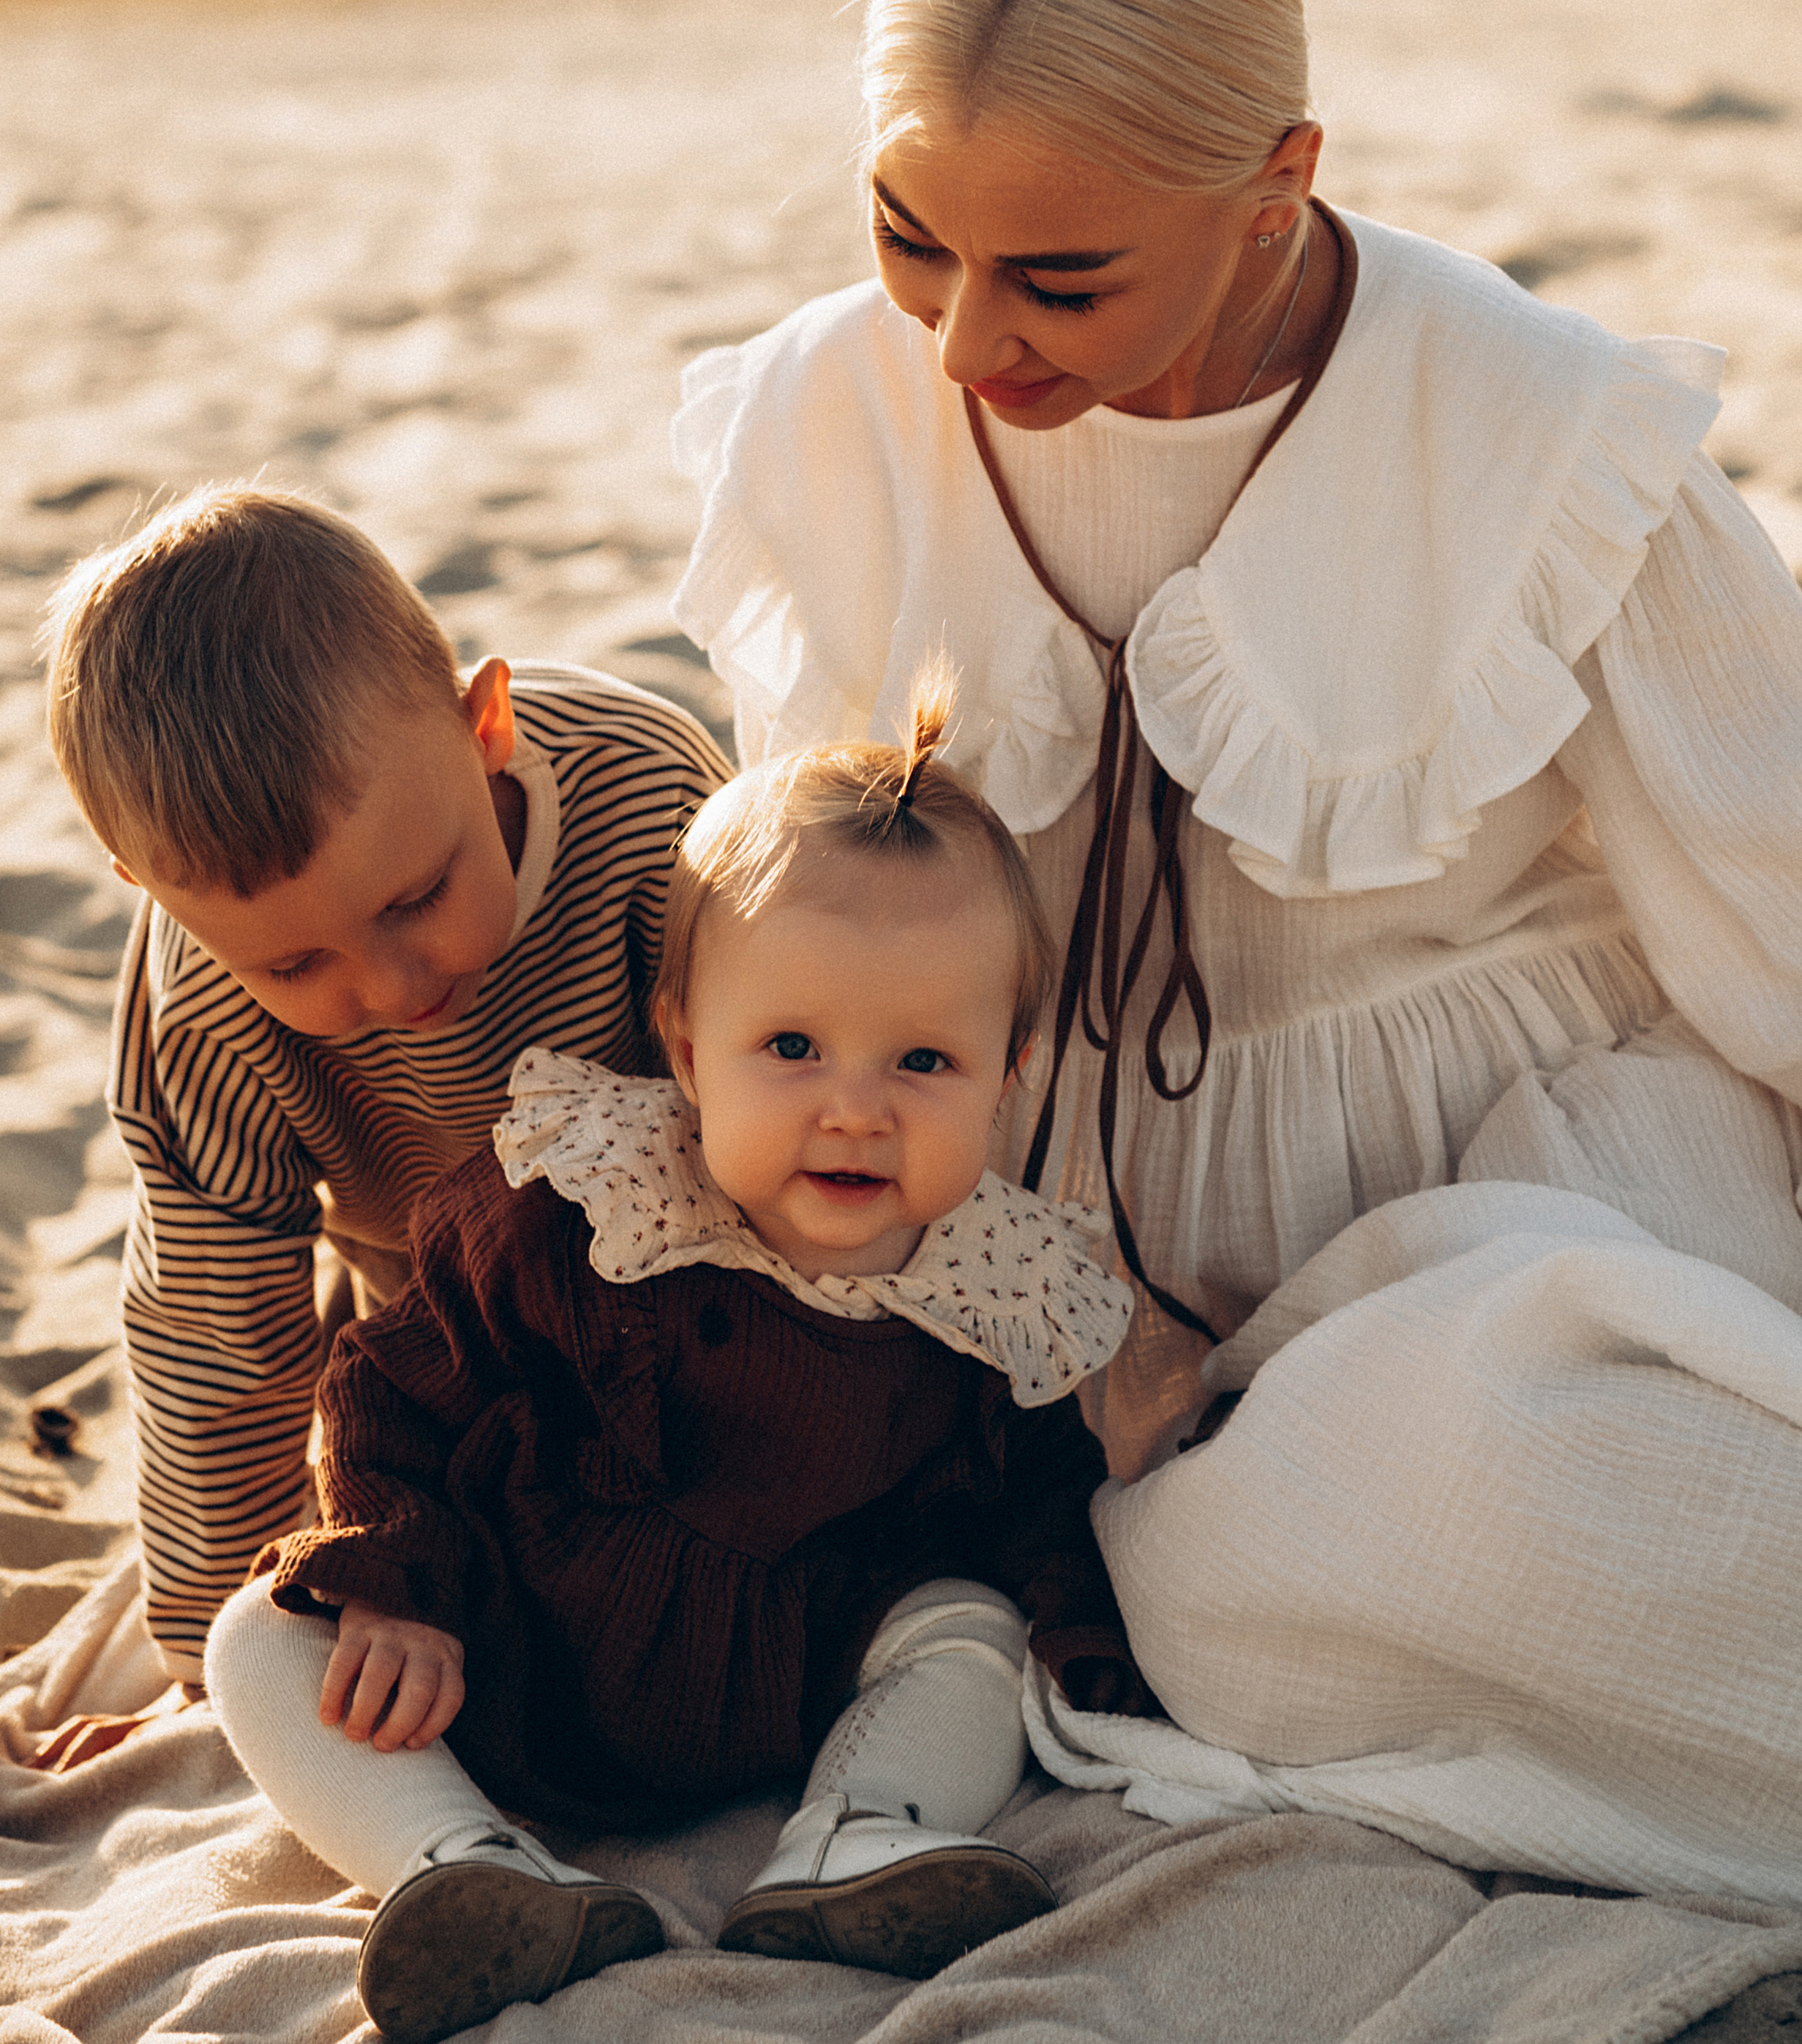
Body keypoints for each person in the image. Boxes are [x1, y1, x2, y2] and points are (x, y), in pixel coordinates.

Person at [668, 0, 1802, 1909]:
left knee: (1546, 1475)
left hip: (1532, 1197)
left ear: (1276, 185)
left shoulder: (1542, 434)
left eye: (1057, 273)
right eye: (904, 233)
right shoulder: (818, 429)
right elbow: (803, 942)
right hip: (1082, 1311)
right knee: (1235, 1567)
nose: (960, 338)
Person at [202, 689, 1138, 2044]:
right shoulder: (579, 1207)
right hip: (508, 1652)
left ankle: (860, 1836)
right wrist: (395, 1585)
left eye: (926, 1059)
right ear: (690, 1051)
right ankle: (461, 1864)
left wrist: (1082, 1635)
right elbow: (392, 1384)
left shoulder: (999, 1289)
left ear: (1009, 1076)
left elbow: (1038, 1501)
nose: (855, 1106)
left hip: (803, 1679)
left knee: (969, 1626)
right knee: (266, 1636)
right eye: (793, 1047)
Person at [43, 486, 729, 1683]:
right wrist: (211, 1643)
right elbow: (218, 1325)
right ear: (150, 891)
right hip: (436, 1351)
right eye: (295, 964)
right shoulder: (197, 998)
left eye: (415, 897)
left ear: (487, 725)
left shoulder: (649, 801)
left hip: (701, 1287)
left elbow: (789, 1070)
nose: (391, 982)